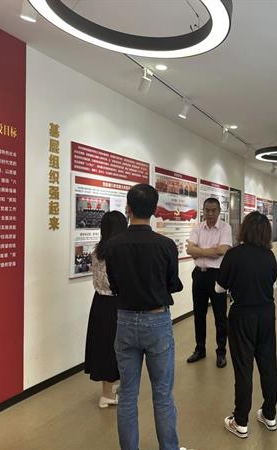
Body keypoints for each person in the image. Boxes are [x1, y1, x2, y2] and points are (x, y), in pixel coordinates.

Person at [104, 184, 185, 450]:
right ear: (154, 210)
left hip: (125, 320)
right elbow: (173, 284)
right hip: (157, 321)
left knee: (127, 394)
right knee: (162, 394)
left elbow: (114, 285)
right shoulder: (166, 245)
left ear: (128, 208)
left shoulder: (113, 246)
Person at [216, 211, 277, 439]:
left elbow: (219, 288)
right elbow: (272, 286)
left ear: (245, 229)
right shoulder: (270, 256)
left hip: (242, 315)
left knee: (244, 368)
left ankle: (240, 420)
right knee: (268, 365)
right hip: (266, 314)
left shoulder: (234, 255)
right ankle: (269, 415)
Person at [84, 211, 127, 408]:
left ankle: (109, 389)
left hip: (99, 303)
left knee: (103, 346)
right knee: (115, 348)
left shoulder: (98, 251)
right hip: (116, 303)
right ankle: (108, 395)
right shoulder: (119, 252)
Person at [185, 197, 233, 368]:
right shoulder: (198, 227)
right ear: (203, 211)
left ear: (219, 211)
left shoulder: (225, 228)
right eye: (207, 210)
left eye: (213, 210)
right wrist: (210, 251)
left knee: (220, 316)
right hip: (199, 275)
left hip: (217, 276)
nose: (210, 213)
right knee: (199, 314)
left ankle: (221, 352)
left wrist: (199, 251)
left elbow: (222, 251)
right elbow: (189, 249)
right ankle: (200, 349)